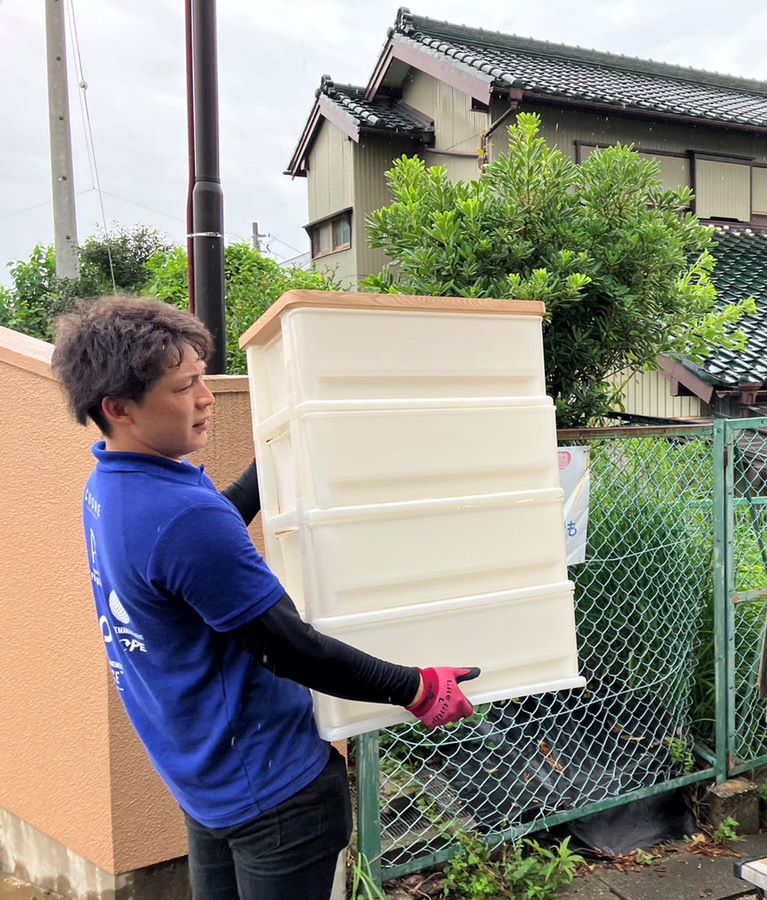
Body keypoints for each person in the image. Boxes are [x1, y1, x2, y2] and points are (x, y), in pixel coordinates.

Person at [51, 296, 480, 899]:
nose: (205, 398)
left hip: (205, 775)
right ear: (118, 408)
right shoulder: (179, 516)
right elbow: (288, 647)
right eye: (184, 387)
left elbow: (197, 547)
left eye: (202, 376)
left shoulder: (112, 487)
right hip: (275, 795)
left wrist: (278, 457)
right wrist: (416, 687)